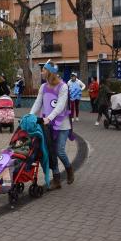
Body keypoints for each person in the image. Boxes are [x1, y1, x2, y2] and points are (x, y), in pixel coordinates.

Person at [30, 60, 74, 190]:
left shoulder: (63, 86)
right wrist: (30, 116)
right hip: (47, 125)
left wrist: (49, 117)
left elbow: (61, 105)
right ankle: (56, 180)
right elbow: (38, 103)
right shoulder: (43, 87)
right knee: (50, 151)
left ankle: (69, 169)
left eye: (43, 69)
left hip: (62, 124)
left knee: (60, 151)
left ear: (49, 72)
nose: (42, 72)